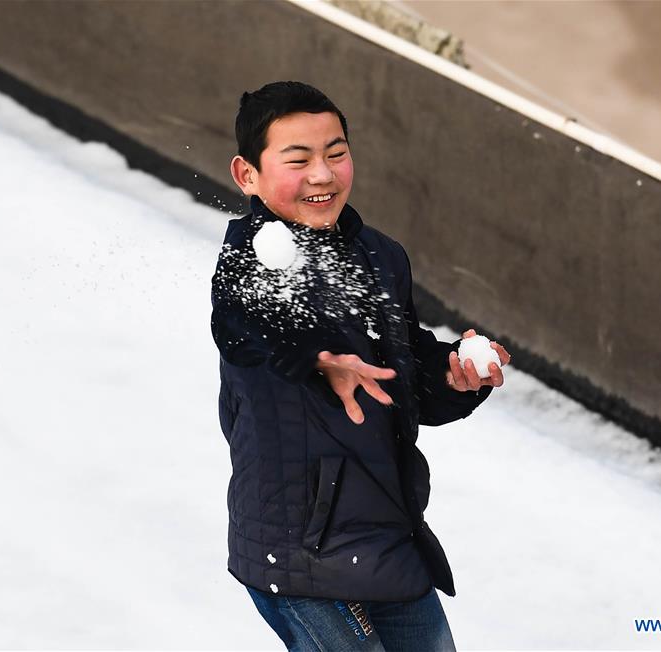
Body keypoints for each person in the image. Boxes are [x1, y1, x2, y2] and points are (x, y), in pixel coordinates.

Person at [210, 81, 510, 652]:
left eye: (336, 153)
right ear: (247, 175)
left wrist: (456, 374)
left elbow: (408, 377)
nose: (322, 174)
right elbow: (245, 321)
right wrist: (318, 357)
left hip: (387, 535)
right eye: (297, 160)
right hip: (301, 551)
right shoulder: (252, 258)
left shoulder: (380, 254)